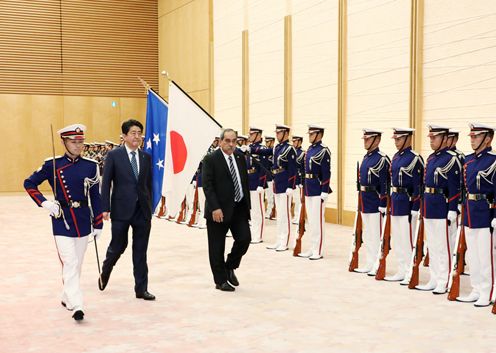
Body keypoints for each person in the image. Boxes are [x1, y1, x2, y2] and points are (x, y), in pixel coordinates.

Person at [24, 124, 103, 321]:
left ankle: (67, 296)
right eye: (73, 142)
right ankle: (77, 304)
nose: (78, 145)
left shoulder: (91, 165)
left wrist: (98, 223)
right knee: (70, 261)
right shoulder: (52, 164)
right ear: (64, 142)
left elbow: (96, 196)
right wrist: (45, 203)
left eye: (81, 141)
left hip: (84, 219)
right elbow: (29, 183)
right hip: (62, 219)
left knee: (78, 264)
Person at [99, 119, 155, 301]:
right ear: (124, 136)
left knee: (140, 251)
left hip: (142, 212)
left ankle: (141, 289)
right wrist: (105, 208)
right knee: (118, 246)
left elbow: (148, 184)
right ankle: (106, 269)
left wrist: (150, 205)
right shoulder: (114, 155)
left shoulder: (146, 157)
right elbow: (106, 182)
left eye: (139, 133)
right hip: (121, 210)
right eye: (133, 133)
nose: (137, 136)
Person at [202, 128, 251, 292]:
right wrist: (215, 207)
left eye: (234, 141)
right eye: (227, 141)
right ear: (221, 141)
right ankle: (220, 280)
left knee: (244, 239)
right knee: (216, 247)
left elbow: (243, 181)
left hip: (238, 208)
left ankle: (230, 266)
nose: (231, 145)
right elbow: (207, 186)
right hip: (219, 211)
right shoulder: (211, 159)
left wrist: (246, 205)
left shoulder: (239, 157)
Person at [415, 125, 461, 294]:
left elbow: (455, 188)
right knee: (432, 246)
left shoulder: (451, 159)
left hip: (442, 206)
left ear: (443, 138)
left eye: (434, 137)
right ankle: (434, 278)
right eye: (430, 137)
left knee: (443, 246)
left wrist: (452, 209)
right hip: (429, 206)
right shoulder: (431, 158)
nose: (431, 140)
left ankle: (444, 280)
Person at [456, 123, 496, 307]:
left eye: (476, 136)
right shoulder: (468, 160)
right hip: (470, 212)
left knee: (485, 255)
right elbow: (465, 188)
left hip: (486, 212)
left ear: (487, 138)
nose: (472, 139)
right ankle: (476, 288)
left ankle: (487, 291)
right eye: (471, 136)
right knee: (473, 255)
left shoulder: (494, 161)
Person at [385, 127, 424, 283]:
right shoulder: (395, 157)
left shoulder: (415, 158)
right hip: (396, 201)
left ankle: (410, 270)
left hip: (408, 203)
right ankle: (402, 269)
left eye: (399, 139)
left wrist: (415, 207)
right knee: (399, 239)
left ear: (408, 138)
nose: (396, 142)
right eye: (395, 139)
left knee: (408, 240)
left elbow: (418, 186)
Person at [354, 129, 390, 274]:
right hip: (365, 200)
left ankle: (377, 263)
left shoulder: (382, 159)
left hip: (375, 201)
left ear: (377, 140)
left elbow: (385, 183)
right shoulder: (366, 157)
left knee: (376, 234)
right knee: (368, 234)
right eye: (364, 139)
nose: (365, 141)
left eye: (368, 139)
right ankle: (369, 262)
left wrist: (383, 203)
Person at [297, 125, 331, 260]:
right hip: (309, 188)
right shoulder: (310, 150)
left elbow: (327, 172)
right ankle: (311, 247)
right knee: (311, 220)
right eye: (309, 134)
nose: (309, 136)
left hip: (318, 189)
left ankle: (318, 249)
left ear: (319, 135)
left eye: (312, 134)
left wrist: (325, 190)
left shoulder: (324, 151)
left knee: (318, 221)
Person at [292, 135, 305, 225]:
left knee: (298, 200)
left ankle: (299, 217)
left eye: (295, 141)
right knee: (294, 199)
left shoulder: (302, 153)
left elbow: (303, 168)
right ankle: (295, 216)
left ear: (300, 142)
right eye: (293, 141)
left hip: (298, 179)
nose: (293, 143)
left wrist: (301, 181)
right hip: (292, 179)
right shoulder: (292, 152)